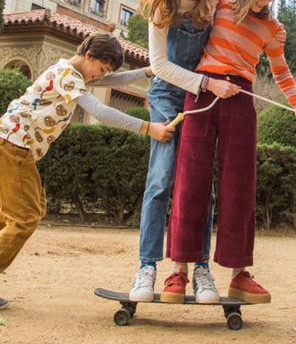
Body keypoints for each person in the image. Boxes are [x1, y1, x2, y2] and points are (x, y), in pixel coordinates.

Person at [160, 0, 296, 305]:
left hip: (241, 99)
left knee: (239, 188)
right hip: (202, 94)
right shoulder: (218, 3)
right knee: (190, 182)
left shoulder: (271, 29)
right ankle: (179, 272)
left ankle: (238, 274)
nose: (265, 1)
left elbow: (281, 72)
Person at [0, 32, 174, 309]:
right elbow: (101, 112)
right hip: (13, 146)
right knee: (25, 217)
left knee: (15, 213)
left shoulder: (72, 72)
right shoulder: (67, 74)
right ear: (89, 54)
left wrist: (149, 71)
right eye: (101, 69)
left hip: (13, 144)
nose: (100, 76)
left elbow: (110, 80)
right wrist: (148, 128)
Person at [129, 0, 242, 303]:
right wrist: (206, 82)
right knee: (161, 180)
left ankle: (200, 268)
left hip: (202, 99)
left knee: (198, 186)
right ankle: (147, 267)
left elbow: (247, 16)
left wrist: (277, 27)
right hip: (168, 95)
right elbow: (159, 65)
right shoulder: (160, 4)